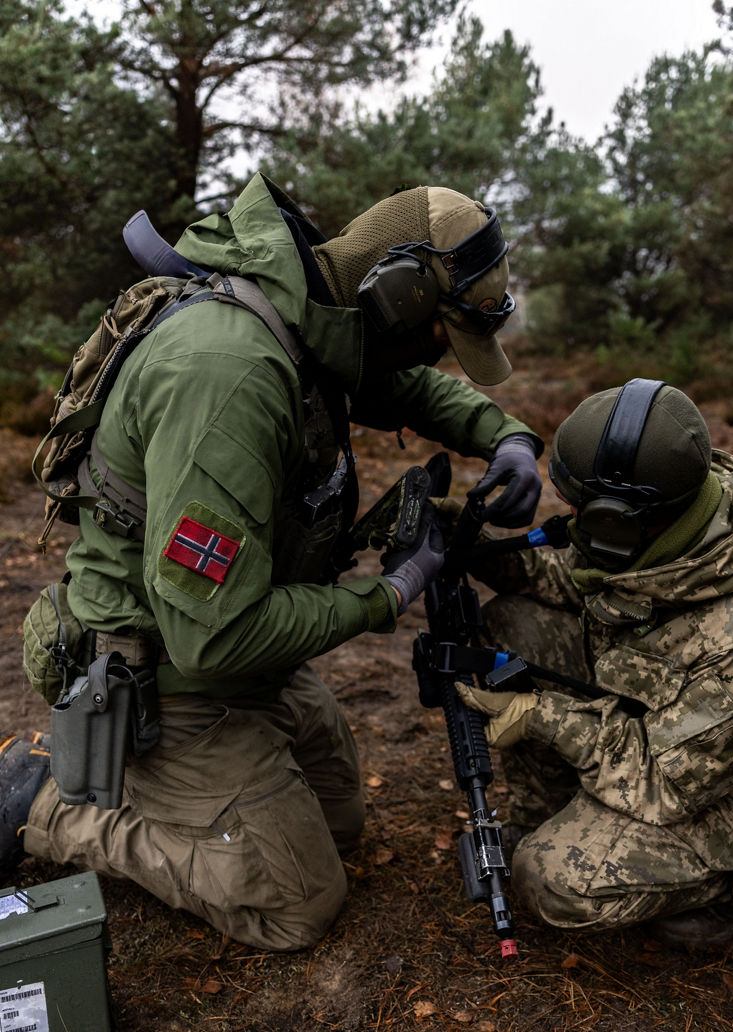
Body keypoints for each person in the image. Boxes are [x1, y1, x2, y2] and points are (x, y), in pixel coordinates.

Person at [1, 173, 543, 951]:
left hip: (244, 652)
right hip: (173, 668)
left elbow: (403, 385)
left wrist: (507, 437)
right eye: (440, 334)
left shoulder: (310, 313)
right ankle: (50, 808)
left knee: (341, 827)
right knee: (299, 902)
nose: (440, 358)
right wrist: (392, 591)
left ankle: (186, 793)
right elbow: (211, 637)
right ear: (396, 296)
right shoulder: (234, 376)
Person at [457, 377, 733, 946]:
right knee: (516, 622)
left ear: (619, 519)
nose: (570, 519)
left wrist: (540, 714)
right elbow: (581, 586)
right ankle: (559, 809)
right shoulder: (665, 526)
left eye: (580, 511)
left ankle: (719, 887)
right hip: (672, 729)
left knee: (551, 879)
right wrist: (479, 548)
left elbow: (665, 776)